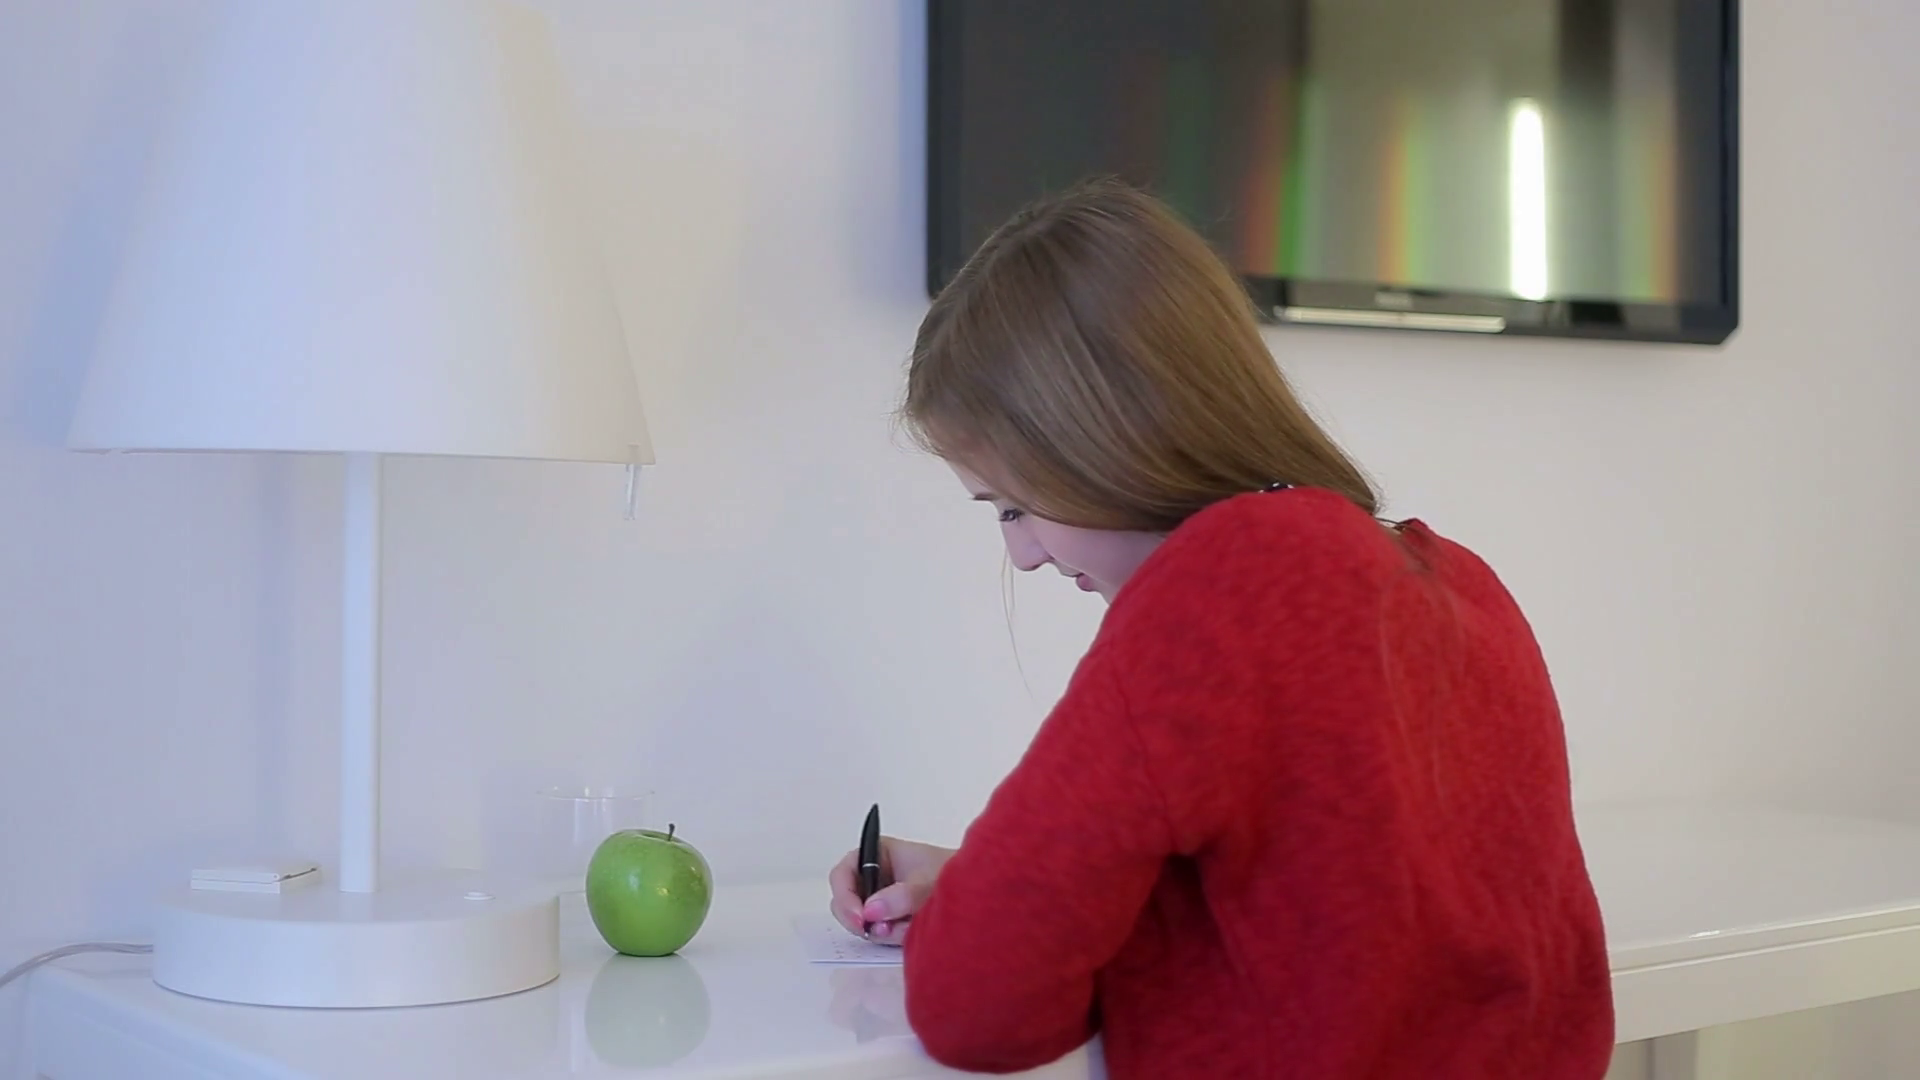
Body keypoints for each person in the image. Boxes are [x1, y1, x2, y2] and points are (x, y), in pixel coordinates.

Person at [828, 178, 1614, 1078]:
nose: (1025, 556)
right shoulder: (1453, 577)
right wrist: (980, 882)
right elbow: (1329, 928)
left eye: (1014, 506)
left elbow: (976, 1007)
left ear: (1101, 441)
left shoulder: (1218, 583)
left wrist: (981, 905)